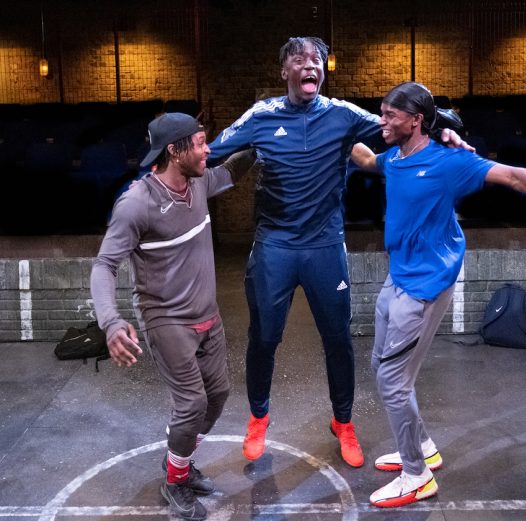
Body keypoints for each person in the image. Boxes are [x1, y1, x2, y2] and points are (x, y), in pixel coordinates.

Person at [206, 36, 470, 468]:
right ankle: (258, 418)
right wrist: (165, 171)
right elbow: (210, 153)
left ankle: (343, 423)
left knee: (337, 340)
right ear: (284, 71)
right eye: (300, 59)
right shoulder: (261, 116)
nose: (310, 65)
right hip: (274, 245)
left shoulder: (342, 115)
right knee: (264, 339)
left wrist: (443, 126)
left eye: (318, 60)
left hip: (325, 246)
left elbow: (397, 126)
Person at [350, 81, 526, 508]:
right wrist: (336, 132)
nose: (382, 121)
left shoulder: (450, 162)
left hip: (425, 285)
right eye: (381, 113)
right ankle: (423, 445)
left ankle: (416, 475)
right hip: (398, 276)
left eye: (390, 115)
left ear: (415, 120)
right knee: (384, 368)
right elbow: (368, 158)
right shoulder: (394, 159)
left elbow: (514, 177)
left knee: (392, 381)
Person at [90, 112, 255, 521]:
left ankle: (178, 460)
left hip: (207, 316)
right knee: (191, 403)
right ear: (174, 151)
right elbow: (104, 266)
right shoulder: (137, 203)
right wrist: (111, 322)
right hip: (167, 320)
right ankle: (175, 480)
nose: (208, 149)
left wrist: (272, 142)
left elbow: (232, 170)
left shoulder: (197, 183)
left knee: (217, 395)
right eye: (200, 143)